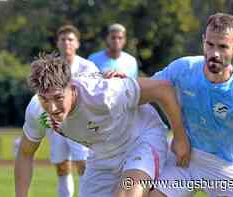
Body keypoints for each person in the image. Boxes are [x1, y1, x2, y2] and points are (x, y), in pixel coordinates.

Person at [14, 52, 190, 197]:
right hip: (101, 155)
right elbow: (25, 152)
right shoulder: (37, 111)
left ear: (71, 86)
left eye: (59, 98)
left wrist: (180, 138)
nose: (52, 108)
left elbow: (163, 89)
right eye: (44, 99)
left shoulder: (105, 93)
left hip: (141, 139)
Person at [149, 13, 233, 197]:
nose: (214, 53)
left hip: (225, 167)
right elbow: (147, 88)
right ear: (203, 42)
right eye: (210, 44)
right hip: (185, 157)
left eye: (223, 46)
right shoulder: (184, 68)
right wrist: (122, 81)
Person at [14, 25, 99, 197]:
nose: (67, 43)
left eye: (70, 39)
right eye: (63, 39)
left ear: (77, 44)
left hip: (83, 122)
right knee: (61, 166)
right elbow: (24, 153)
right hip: (55, 125)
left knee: (83, 164)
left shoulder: (88, 67)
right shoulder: (37, 106)